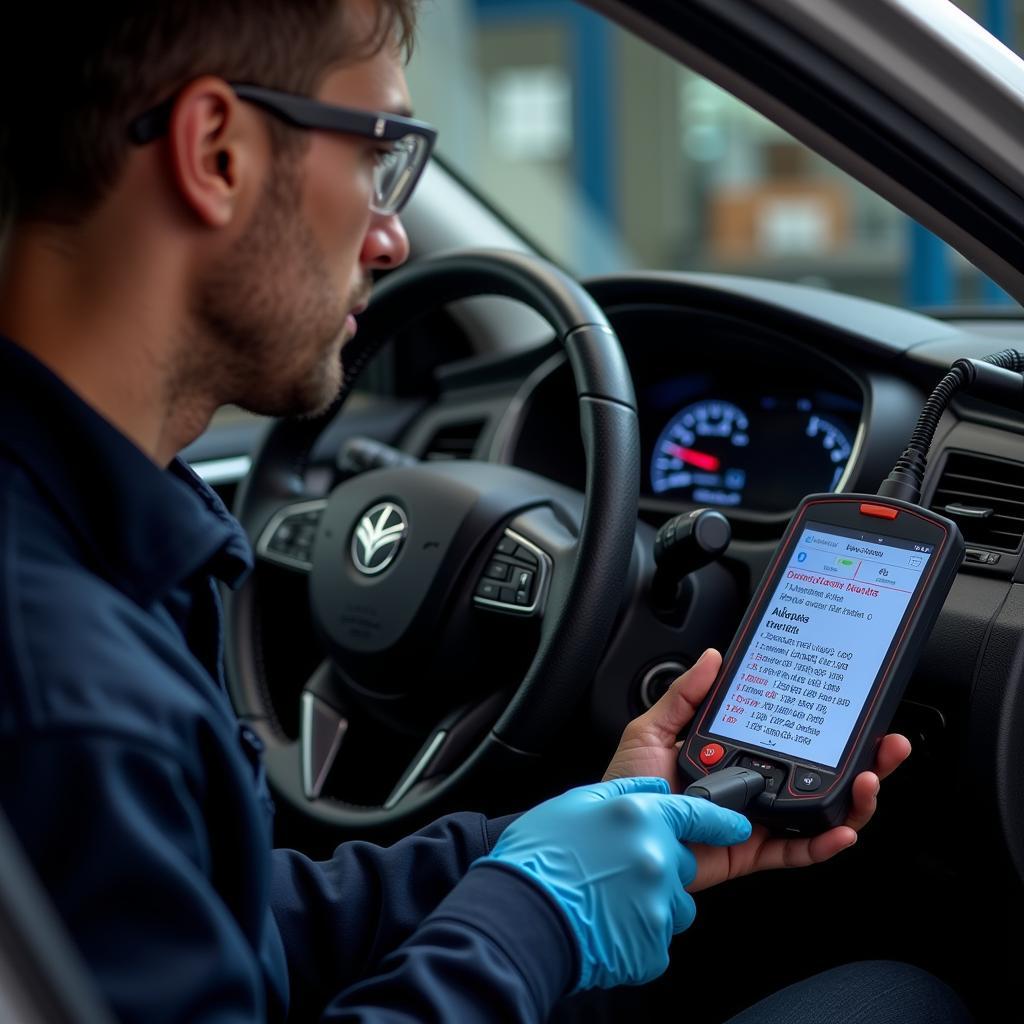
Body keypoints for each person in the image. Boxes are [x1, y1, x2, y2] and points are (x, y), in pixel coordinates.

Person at [0, 2, 971, 1021]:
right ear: (217, 152)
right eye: (381, 154)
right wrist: (535, 916)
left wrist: (531, 845)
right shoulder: (70, 689)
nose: (392, 234)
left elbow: (214, 927)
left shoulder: (82, 545)